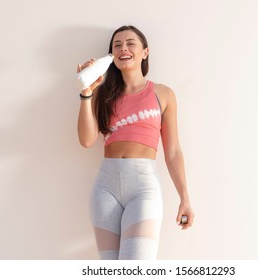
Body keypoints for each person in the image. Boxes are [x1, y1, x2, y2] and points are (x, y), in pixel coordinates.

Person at [77, 25, 194, 260]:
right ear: (112, 56)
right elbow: (87, 140)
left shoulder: (163, 94)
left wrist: (185, 199)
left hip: (143, 188)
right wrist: (86, 92)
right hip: (105, 188)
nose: (123, 48)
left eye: (130, 43)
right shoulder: (103, 94)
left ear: (145, 52)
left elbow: (172, 152)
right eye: (117, 45)